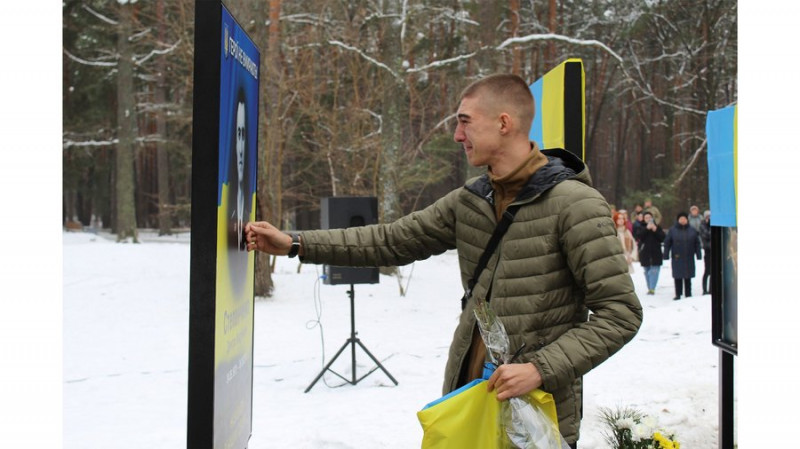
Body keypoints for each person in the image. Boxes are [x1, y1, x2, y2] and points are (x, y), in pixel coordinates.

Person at [245, 74, 643, 448]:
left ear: (504, 123)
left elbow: (620, 313)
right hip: (467, 405)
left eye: (465, 122)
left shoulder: (576, 205)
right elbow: (392, 241)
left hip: (536, 419)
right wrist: (294, 243)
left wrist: (539, 367)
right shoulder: (471, 199)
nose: (457, 135)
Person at [663, 212, 702, 300]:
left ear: (687, 220)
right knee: (678, 276)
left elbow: (697, 243)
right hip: (677, 257)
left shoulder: (692, 230)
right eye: (681, 219)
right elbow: (667, 242)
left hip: (689, 256)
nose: (683, 220)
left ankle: (688, 293)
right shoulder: (673, 230)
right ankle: (678, 294)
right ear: (678, 220)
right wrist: (666, 255)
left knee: (688, 276)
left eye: (684, 219)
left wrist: (698, 254)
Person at [633, 211, 665, 295]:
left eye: (649, 218)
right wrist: (647, 229)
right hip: (645, 253)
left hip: (656, 252)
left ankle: (652, 288)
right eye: (646, 218)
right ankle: (650, 286)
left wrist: (655, 230)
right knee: (647, 271)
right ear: (643, 219)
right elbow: (639, 236)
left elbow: (662, 238)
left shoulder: (657, 227)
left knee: (654, 271)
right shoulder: (640, 227)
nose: (648, 219)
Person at [698, 210, 712, 295]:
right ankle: (704, 289)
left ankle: (711, 289)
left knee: (713, 271)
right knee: (707, 271)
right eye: (707, 217)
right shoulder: (702, 225)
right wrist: (709, 225)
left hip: (713, 250)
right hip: (707, 250)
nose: (709, 219)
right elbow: (707, 235)